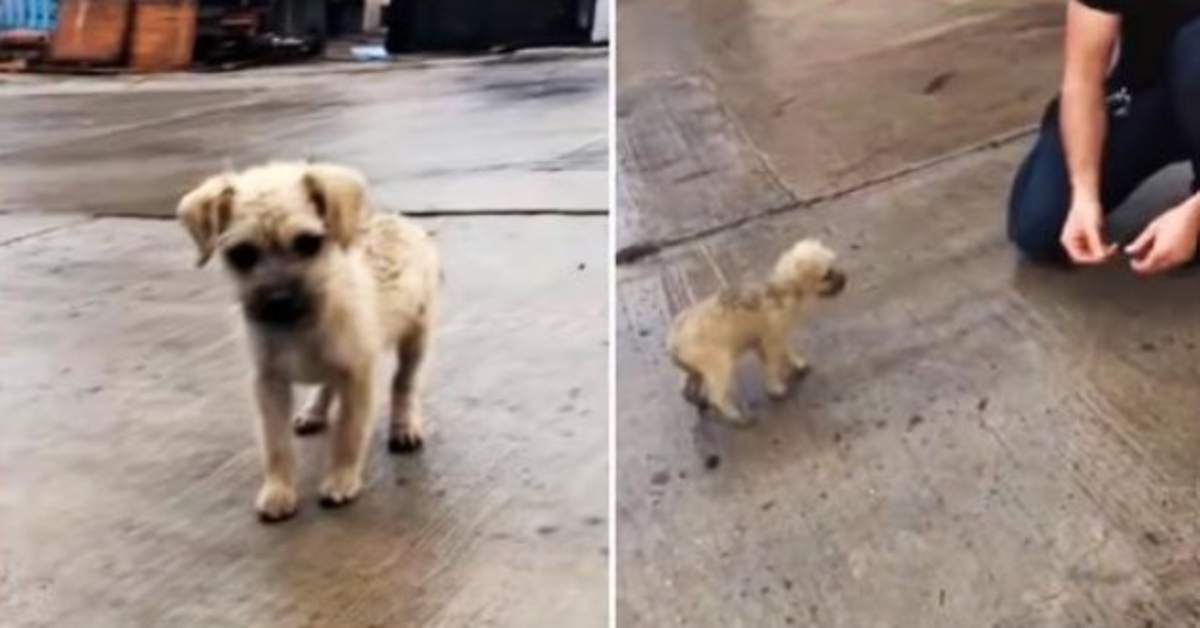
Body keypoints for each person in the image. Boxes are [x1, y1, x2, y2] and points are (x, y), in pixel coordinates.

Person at [1008, 0, 1200, 273]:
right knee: (1039, 226)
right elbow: (1082, 80)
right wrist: (1083, 193)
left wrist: (1196, 214)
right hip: (1148, 95)